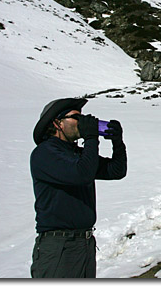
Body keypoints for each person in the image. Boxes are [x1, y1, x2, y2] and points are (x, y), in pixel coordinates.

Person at [29, 97, 127, 278]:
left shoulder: (75, 153)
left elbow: (116, 171)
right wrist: (91, 137)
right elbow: (82, 174)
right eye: (76, 118)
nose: (82, 123)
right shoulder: (45, 153)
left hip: (84, 243)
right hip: (59, 246)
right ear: (57, 123)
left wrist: (117, 142)